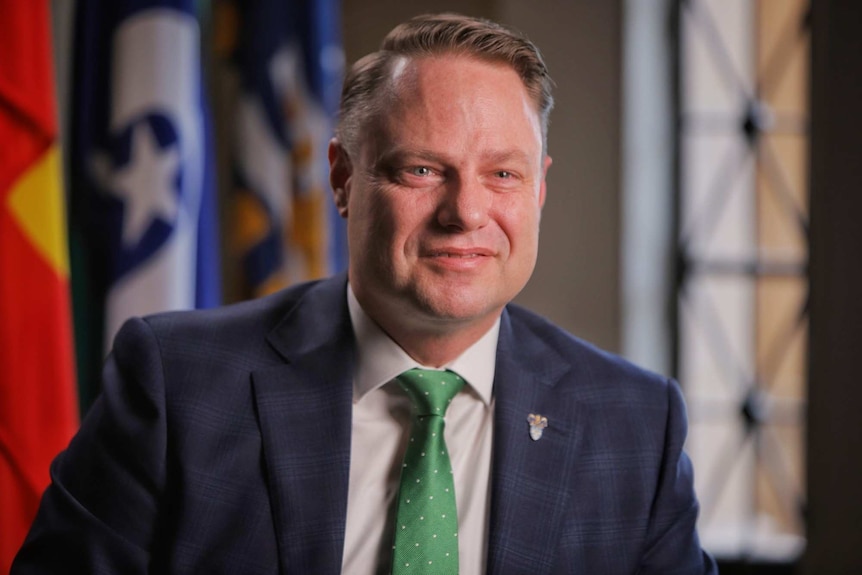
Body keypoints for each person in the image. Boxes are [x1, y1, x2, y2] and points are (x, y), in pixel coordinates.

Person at [13, 13, 717, 575]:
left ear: (539, 188)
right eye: (421, 169)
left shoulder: (634, 424)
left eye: (503, 174)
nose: (465, 212)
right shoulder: (177, 387)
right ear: (344, 179)